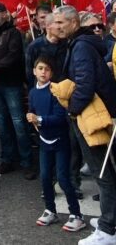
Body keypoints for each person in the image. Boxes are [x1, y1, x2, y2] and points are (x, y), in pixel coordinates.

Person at [51, 5, 116, 245]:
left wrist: (72, 110)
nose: (55, 26)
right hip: (97, 114)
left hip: (92, 118)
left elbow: (85, 85)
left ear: (74, 23)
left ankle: (108, 230)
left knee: (103, 173)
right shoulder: (82, 44)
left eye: (59, 22)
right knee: (106, 171)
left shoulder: (81, 47)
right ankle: (110, 219)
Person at [27, 56, 86, 232]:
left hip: (60, 141)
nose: (43, 72)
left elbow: (60, 118)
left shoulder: (55, 90)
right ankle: (50, 210)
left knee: (63, 178)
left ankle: (76, 215)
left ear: (51, 73)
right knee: (45, 177)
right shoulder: (32, 92)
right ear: (34, 71)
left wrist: (39, 119)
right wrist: (31, 117)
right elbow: (32, 109)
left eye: (47, 69)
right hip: (44, 141)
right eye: (40, 68)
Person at [0, 1, 35, 180]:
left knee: (18, 122)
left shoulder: (14, 34)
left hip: (12, 84)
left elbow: (12, 57)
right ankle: (7, 159)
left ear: (5, 14)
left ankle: (27, 162)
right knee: (2, 124)